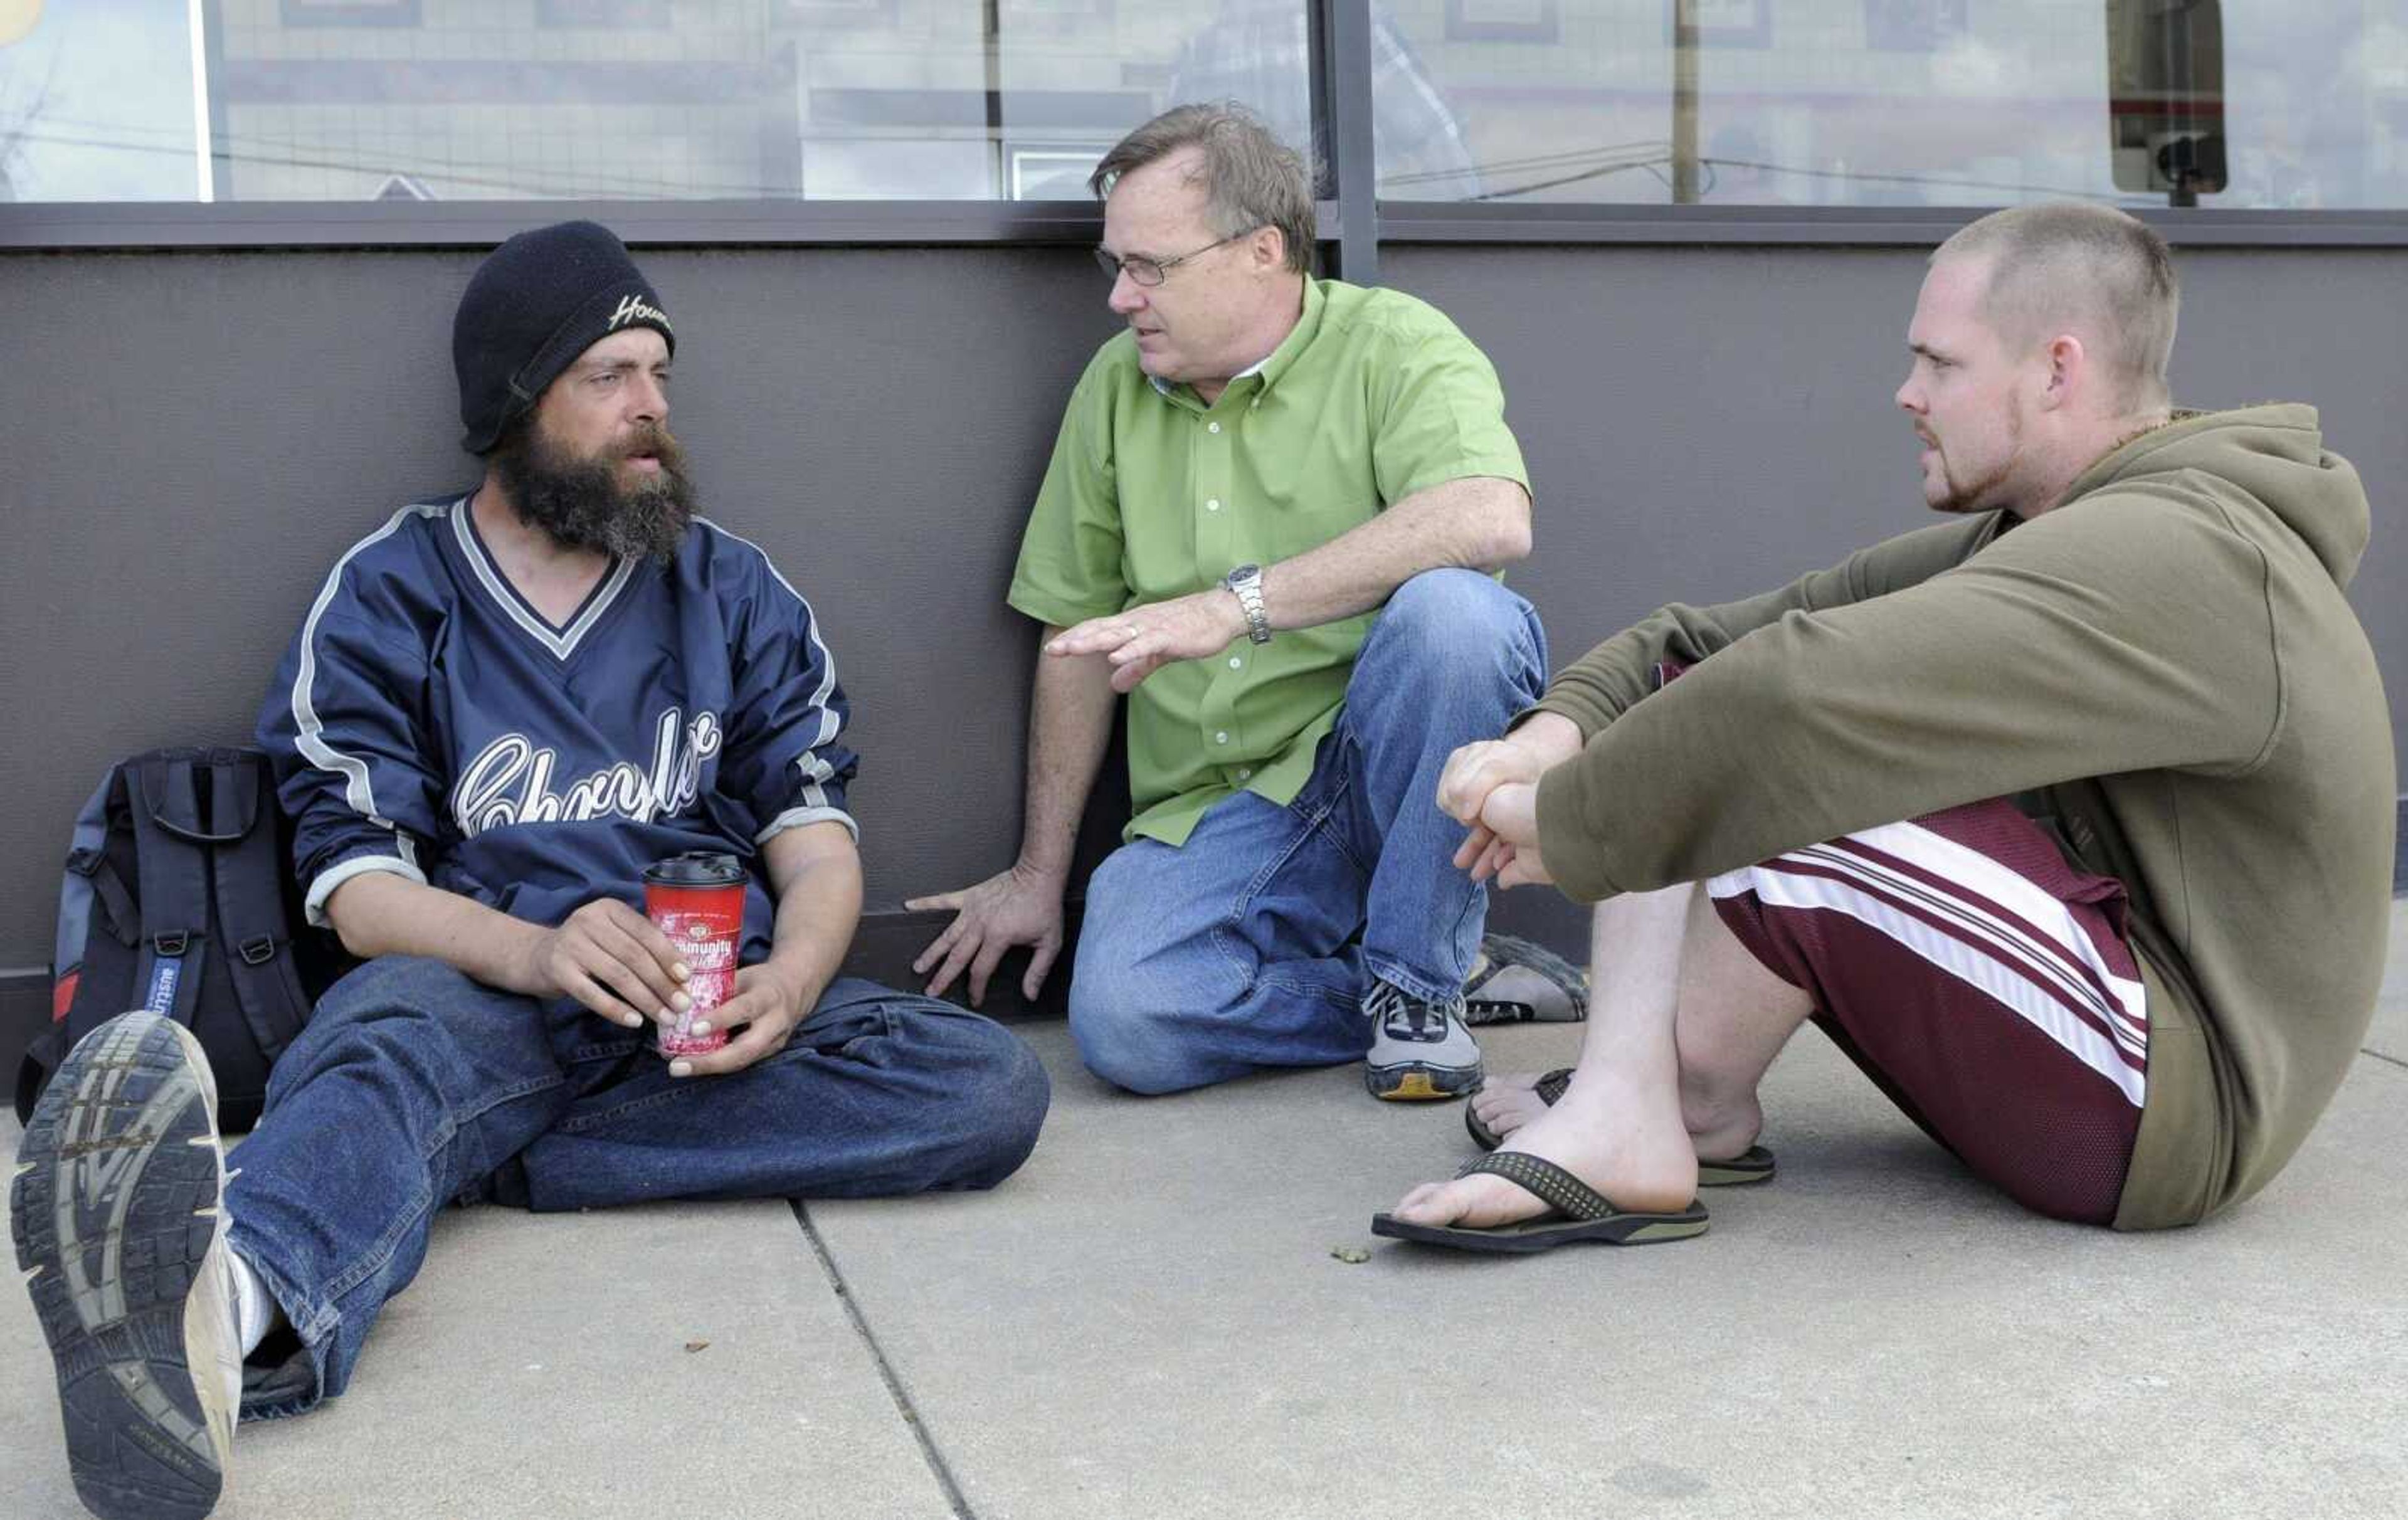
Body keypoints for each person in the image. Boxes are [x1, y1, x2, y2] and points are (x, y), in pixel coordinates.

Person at [12, 219, 1052, 1518]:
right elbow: (356, 889)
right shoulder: (391, 592)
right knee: (378, 1047)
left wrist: (791, 977)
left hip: (697, 1007)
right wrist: (536, 951)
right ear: (517, 399)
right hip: (475, 994)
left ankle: (438, 1162)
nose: (652, 408)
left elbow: (814, 832)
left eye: (659, 374)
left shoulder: (729, 588)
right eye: (610, 375)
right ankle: (216, 1321)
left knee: (983, 1084)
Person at [1379, 201, 2394, 1251]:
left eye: (1940, 364)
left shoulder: (2182, 555)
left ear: (2057, 371)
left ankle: (1628, 1121)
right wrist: (1551, 736)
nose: (1906, 394)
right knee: (1709, 700)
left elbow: (1793, 700)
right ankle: (1683, 1098)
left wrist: (1560, 819)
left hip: (2176, 1108)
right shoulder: (2058, 529)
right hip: (2109, 1004)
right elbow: (1704, 647)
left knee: (1775, 757)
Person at [907, 102, 1581, 1102]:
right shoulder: (1113, 388)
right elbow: (1077, 635)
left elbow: (1490, 514)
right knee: (1129, 1024)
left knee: (1459, 616)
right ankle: (1428, 979)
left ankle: (1419, 992)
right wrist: (1040, 874)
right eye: (1116, 266)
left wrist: (1239, 606)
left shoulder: (1393, 345)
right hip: (1218, 816)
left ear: (1262, 250)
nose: (1121, 298)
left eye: (1151, 267)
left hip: (1382, 778)